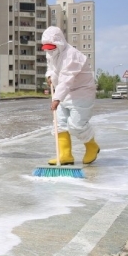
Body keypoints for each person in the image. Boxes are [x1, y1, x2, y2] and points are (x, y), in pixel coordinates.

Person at [42, 26, 99, 165]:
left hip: (81, 92)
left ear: (60, 43)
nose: (49, 50)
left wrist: (56, 98)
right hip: (63, 93)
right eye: (47, 47)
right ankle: (65, 155)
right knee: (59, 123)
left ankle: (92, 146)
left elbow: (67, 79)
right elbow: (51, 67)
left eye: (52, 47)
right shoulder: (51, 51)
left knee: (76, 126)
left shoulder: (71, 55)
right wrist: (49, 75)